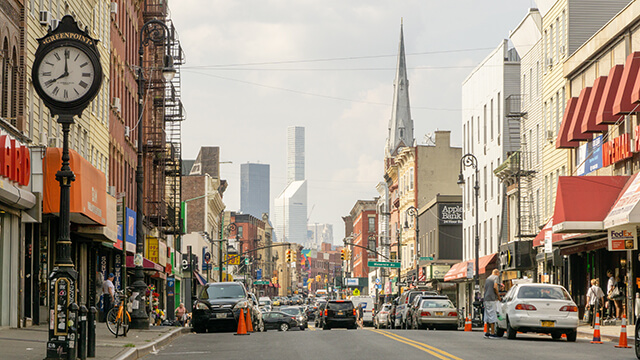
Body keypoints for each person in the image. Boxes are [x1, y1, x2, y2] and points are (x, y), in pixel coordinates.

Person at [483, 269, 501, 339]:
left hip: (486, 298)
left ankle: (487, 332)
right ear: (497, 273)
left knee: (487, 315)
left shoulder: (488, 278)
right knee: (492, 315)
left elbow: (485, 289)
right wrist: (498, 296)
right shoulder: (495, 277)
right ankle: (492, 333)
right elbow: (495, 287)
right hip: (491, 298)